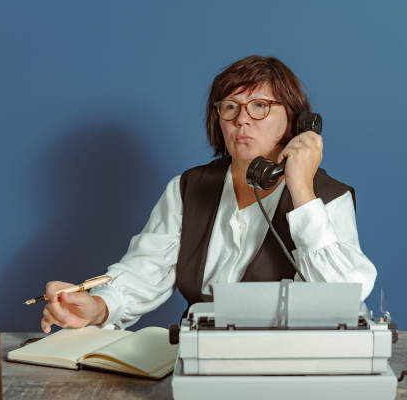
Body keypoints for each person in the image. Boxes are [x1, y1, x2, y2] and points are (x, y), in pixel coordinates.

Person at [41, 55, 377, 333]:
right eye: (230, 107)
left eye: (259, 106)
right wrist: (98, 307)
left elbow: (346, 293)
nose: (242, 120)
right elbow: (146, 269)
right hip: (198, 355)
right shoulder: (188, 188)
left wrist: (302, 188)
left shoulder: (328, 197)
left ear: (295, 121)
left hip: (282, 361)